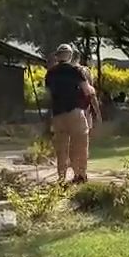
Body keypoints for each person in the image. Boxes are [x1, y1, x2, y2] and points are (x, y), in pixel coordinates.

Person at [45, 44, 91, 183]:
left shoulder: (50, 73)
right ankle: (80, 174)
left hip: (58, 114)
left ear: (57, 56)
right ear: (70, 56)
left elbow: (49, 94)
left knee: (61, 147)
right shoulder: (76, 70)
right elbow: (87, 90)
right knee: (80, 144)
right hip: (74, 112)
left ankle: (61, 177)